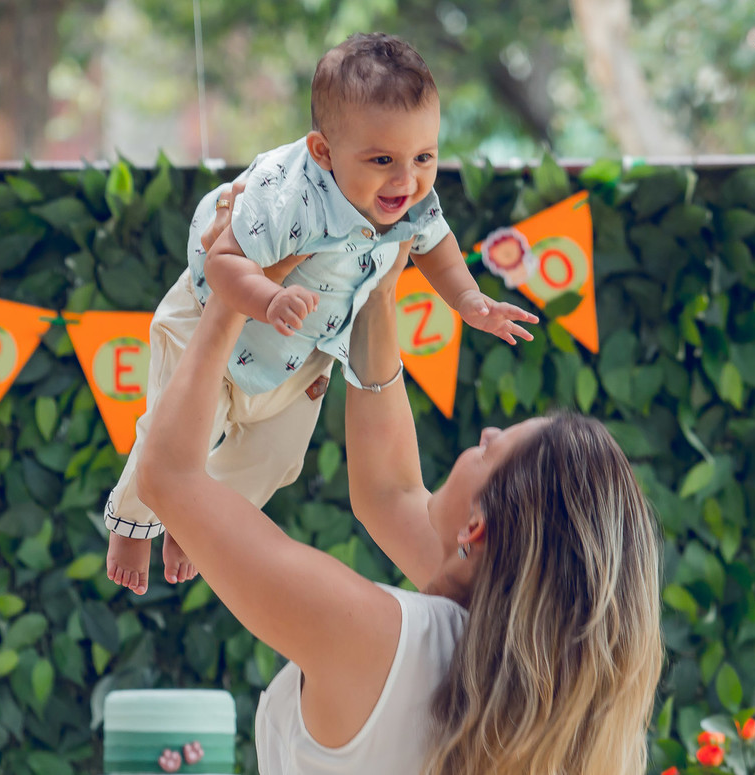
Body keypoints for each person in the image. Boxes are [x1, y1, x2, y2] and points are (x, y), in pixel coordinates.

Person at [132, 188, 665, 774]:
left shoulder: (378, 638)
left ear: (476, 527)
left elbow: (169, 479)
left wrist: (232, 288)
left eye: (491, 447)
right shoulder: (534, 700)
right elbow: (389, 495)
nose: (483, 432)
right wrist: (377, 286)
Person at [105, 32, 535, 594]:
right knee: (175, 431)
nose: (406, 180)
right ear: (323, 151)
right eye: (382, 160)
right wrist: (268, 296)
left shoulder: (408, 198)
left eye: (424, 157)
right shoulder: (286, 196)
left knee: (277, 459)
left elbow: (436, 246)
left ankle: (198, 519)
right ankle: (131, 524)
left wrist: (469, 300)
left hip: (300, 354)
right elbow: (221, 263)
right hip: (215, 326)